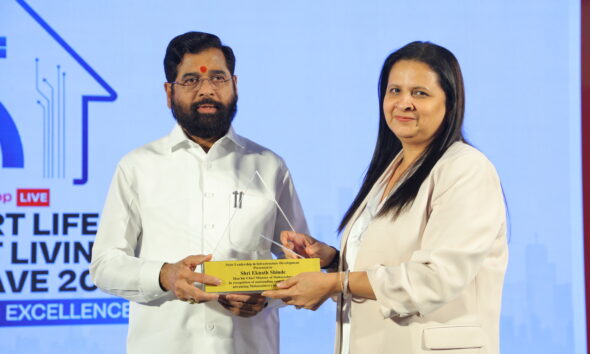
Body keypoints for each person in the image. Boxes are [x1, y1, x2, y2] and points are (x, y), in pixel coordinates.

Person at [263, 41, 508, 354]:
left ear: (450, 101)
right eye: (395, 91)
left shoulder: (465, 168)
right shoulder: (392, 168)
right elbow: (390, 261)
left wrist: (336, 283)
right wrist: (330, 260)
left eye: (420, 93)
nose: (404, 103)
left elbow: (434, 278)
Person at [90, 31, 308, 354]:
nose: (207, 90)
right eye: (191, 80)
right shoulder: (136, 167)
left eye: (218, 78)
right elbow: (104, 265)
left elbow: (301, 264)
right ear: (168, 92)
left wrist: (267, 300)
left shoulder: (270, 166)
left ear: (234, 85)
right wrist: (164, 276)